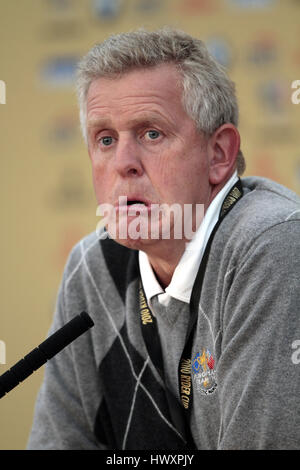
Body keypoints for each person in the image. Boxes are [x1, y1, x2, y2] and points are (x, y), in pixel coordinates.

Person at [27, 28, 300, 450]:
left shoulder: (272, 246)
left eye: (151, 134)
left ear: (219, 154)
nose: (123, 164)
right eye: (105, 139)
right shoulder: (92, 267)